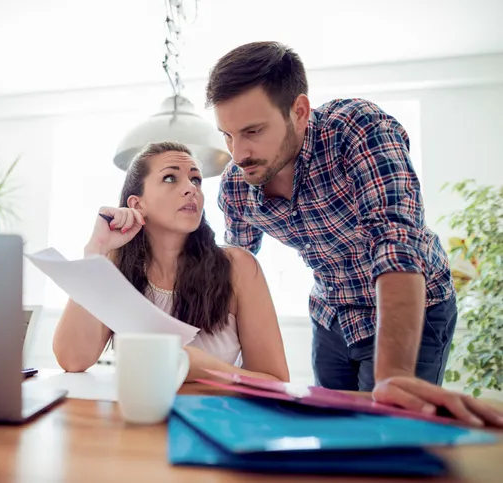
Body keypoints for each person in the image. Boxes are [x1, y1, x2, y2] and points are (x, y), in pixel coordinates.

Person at [207, 41, 503, 427]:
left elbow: (396, 242)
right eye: (227, 135)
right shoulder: (236, 184)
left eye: (253, 131)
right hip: (331, 314)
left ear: (298, 111)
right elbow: (233, 267)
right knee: (332, 428)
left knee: (389, 430)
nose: (239, 152)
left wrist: (393, 374)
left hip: (413, 305)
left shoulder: (357, 130)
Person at [52, 141, 290, 383]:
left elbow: (276, 382)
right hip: (137, 413)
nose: (191, 189)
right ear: (137, 204)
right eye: (170, 178)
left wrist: (206, 369)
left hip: (217, 415)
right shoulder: (113, 267)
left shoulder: (238, 267)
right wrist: (96, 252)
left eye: (196, 179)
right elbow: (72, 360)